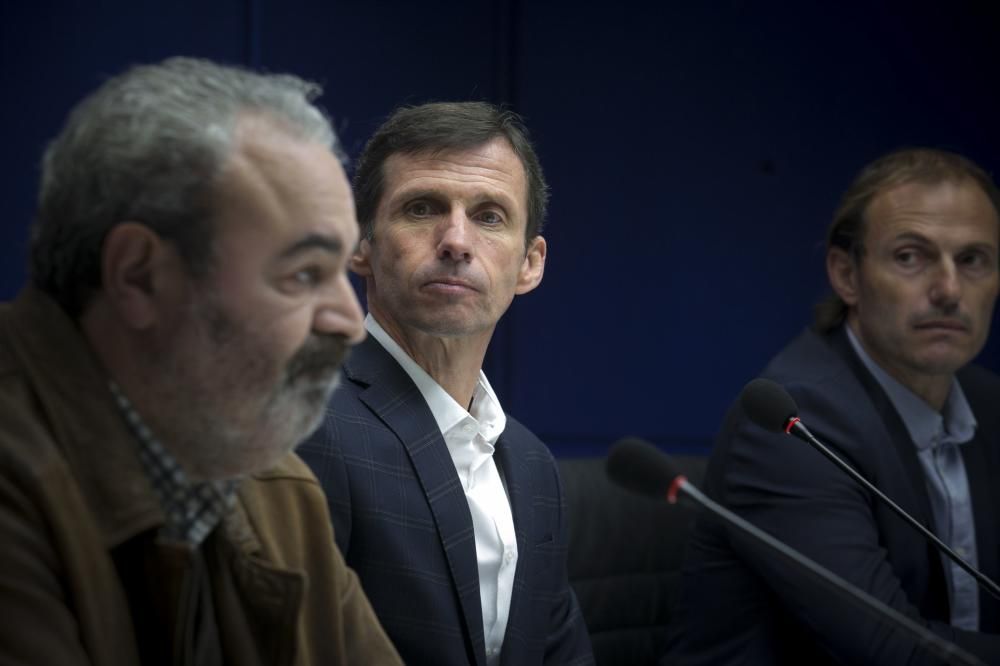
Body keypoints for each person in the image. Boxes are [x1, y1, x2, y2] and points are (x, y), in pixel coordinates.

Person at [0, 57, 402, 665]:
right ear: (139, 277)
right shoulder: (17, 482)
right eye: (304, 273)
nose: (350, 325)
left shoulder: (280, 493)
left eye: (342, 271)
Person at [665, 148, 1000, 664]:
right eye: (911, 257)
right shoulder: (794, 423)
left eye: (973, 260)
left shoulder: (989, 404)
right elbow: (892, 651)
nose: (949, 290)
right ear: (847, 275)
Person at [298, 101, 594, 666]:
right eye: (422, 208)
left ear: (530, 263)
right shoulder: (309, 422)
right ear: (361, 244)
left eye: (489, 216)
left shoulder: (533, 467)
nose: (456, 240)